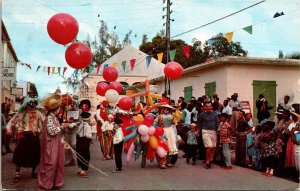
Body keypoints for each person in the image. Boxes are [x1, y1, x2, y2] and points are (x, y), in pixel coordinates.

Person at [6, 97, 43, 183]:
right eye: (30, 103)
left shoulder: (38, 113)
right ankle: (17, 174)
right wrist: (9, 129)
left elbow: (44, 123)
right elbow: (11, 122)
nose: (32, 105)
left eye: (34, 103)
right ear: (26, 104)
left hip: (34, 137)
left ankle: (33, 172)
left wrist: (40, 131)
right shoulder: (21, 113)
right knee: (19, 156)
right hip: (24, 137)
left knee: (35, 156)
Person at [38, 93, 65, 190]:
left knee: (57, 163)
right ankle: (46, 184)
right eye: (58, 108)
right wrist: (62, 127)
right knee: (50, 163)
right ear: (55, 109)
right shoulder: (50, 117)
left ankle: (54, 183)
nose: (59, 110)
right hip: (51, 144)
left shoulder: (53, 117)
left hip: (55, 143)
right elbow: (52, 131)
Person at [197, 102, 219, 169]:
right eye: (207, 106)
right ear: (205, 107)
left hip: (213, 131)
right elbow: (199, 123)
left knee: (212, 147)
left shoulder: (215, 114)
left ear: (212, 107)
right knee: (209, 146)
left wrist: (218, 130)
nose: (208, 107)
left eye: (210, 106)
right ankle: (207, 161)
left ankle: (208, 158)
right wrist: (198, 131)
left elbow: (217, 122)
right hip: (205, 131)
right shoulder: (202, 114)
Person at [76, 111, 94, 178]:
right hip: (85, 142)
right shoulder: (88, 126)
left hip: (79, 141)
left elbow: (78, 132)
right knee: (86, 156)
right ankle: (83, 171)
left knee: (79, 155)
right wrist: (91, 139)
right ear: (88, 118)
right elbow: (89, 136)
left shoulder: (80, 124)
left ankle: (80, 169)